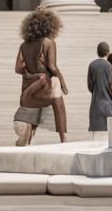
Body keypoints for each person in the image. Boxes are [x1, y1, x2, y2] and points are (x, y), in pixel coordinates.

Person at [15, 8, 68, 143]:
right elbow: (52, 67)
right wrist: (62, 81)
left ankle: (29, 136)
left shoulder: (24, 45)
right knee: (58, 102)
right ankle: (63, 138)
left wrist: (31, 74)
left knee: (36, 109)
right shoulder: (49, 43)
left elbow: (18, 68)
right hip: (45, 85)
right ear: (50, 26)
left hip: (29, 87)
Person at [87, 41, 112, 136]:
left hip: (96, 105)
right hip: (109, 106)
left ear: (97, 52)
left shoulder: (92, 65)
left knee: (95, 135)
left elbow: (90, 86)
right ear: (108, 52)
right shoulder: (110, 67)